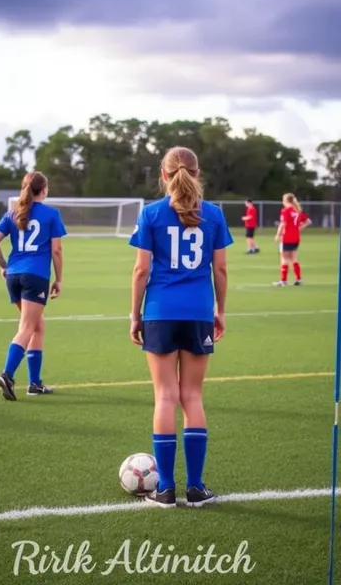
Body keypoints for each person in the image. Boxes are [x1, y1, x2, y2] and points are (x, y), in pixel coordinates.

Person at [129, 146, 233, 508]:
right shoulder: (215, 215)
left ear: (163, 174)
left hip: (160, 312)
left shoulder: (151, 213)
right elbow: (220, 270)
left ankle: (166, 490)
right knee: (192, 396)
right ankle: (196, 487)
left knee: (165, 397)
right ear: (197, 172)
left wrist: (134, 314)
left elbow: (142, 270)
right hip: (199, 312)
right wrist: (220, 310)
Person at [0, 171, 66, 400]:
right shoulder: (51, 214)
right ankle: (7, 374)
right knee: (27, 328)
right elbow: (57, 250)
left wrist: (4, 266)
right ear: (44, 189)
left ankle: (35, 384)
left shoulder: (13, 213)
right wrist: (59, 279)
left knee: (37, 325)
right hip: (35, 276)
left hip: (14, 276)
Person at [273, 193, 312, 286]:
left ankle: (284, 280)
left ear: (285, 201)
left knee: (284, 258)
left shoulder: (285, 211)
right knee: (294, 258)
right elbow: (308, 221)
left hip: (287, 237)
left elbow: (283, 224)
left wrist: (277, 235)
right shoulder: (297, 211)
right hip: (296, 237)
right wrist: (298, 228)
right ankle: (298, 279)